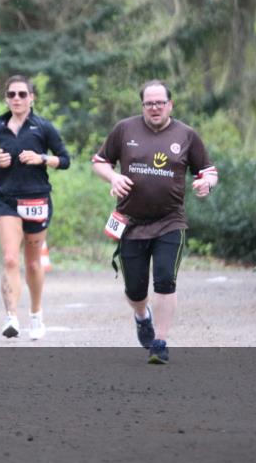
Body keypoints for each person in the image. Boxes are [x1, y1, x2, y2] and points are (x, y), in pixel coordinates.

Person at [91, 80, 218, 364]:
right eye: (149, 103)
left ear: (170, 104)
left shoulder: (186, 135)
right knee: (135, 289)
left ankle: (160, 341)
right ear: (143, 106)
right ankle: (141, 315)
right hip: (131, 222)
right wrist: (113, 177)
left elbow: (208, 171)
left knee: (164, 280)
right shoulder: (125, 129)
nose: (155, 107)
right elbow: (99, 161)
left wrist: (206, 184)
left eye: (160, 102)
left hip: (170, 221)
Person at [0, 75, 70, 340]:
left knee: (32, 264)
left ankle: (36, 314)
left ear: (32, 98)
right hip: (5, 199)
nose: (16, 99)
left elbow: (65, 159)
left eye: (22, 94)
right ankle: (11, 317)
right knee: (9, 258)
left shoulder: (43, 127)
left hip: (36, 199)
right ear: (6, 98)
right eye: (11, 95)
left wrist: (42, 158)